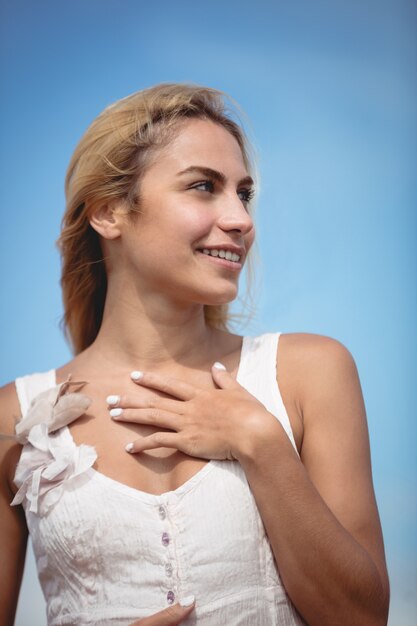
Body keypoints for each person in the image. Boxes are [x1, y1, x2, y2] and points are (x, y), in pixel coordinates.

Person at [0, 83, 389, 626]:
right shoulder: (16, 415)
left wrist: (261, 442)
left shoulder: (309, 373)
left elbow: (362, 618)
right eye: (204, 186)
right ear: (109, 212)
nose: (241, 219)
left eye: (243, 193)